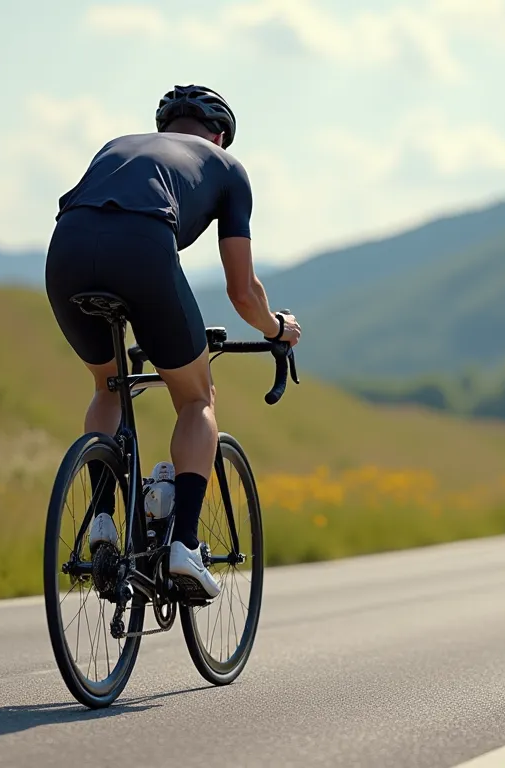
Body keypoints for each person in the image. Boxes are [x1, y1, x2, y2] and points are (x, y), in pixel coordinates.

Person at [44, 84, 301, 600]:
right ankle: (183, 545)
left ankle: (101, 520)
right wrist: (277, 329)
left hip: (65, 250)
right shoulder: (227, 168)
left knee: (109, 387)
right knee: (196, 398)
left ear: (164, 128)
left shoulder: (118, 146)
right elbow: (243, 292)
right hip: (142, 249)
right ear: (220, 136)